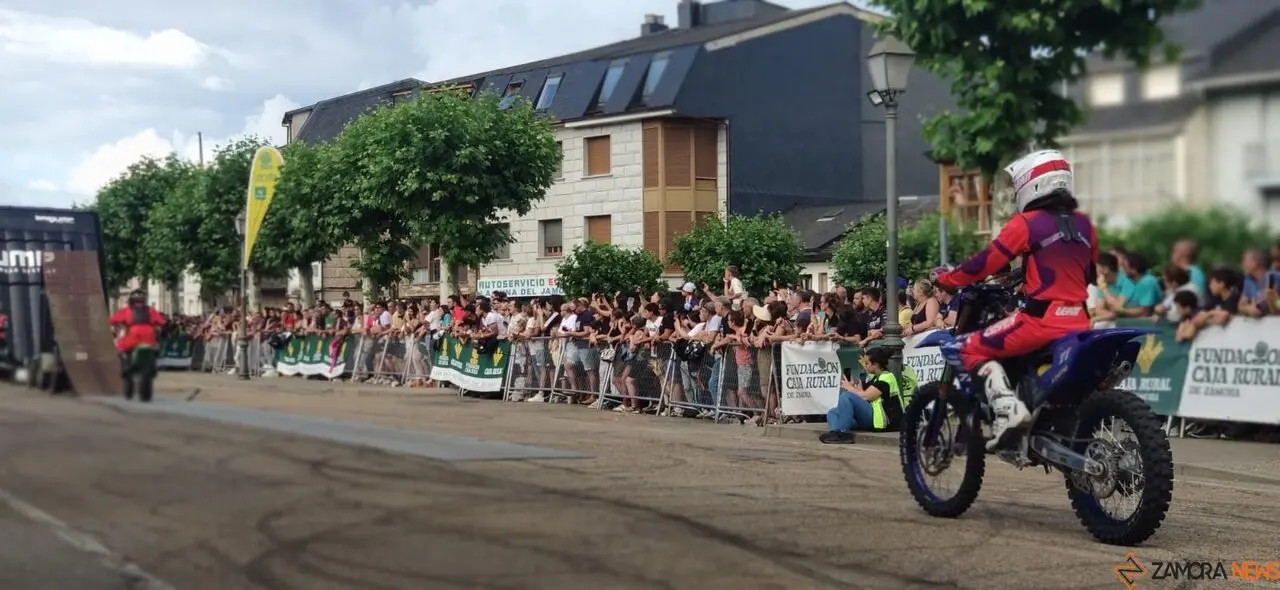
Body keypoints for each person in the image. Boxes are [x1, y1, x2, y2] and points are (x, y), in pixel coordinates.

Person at [933, 149, 1097, 450]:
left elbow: (985, 262)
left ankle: (1008, 411)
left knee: (969, 348)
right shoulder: (1084, 224)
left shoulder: (1027, 223)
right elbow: (1087, 273)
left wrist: (947, 279)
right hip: (1081, 321)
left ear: (1031, 184)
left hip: (1041, 322)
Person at [110, 290, 166, 355]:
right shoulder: (151, 310)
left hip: (132, 336)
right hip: (149, 337)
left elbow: (112, 320)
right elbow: (161, 323)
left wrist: (121, 327)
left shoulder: (126, 310)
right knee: (154, 349)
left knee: (119, 349)